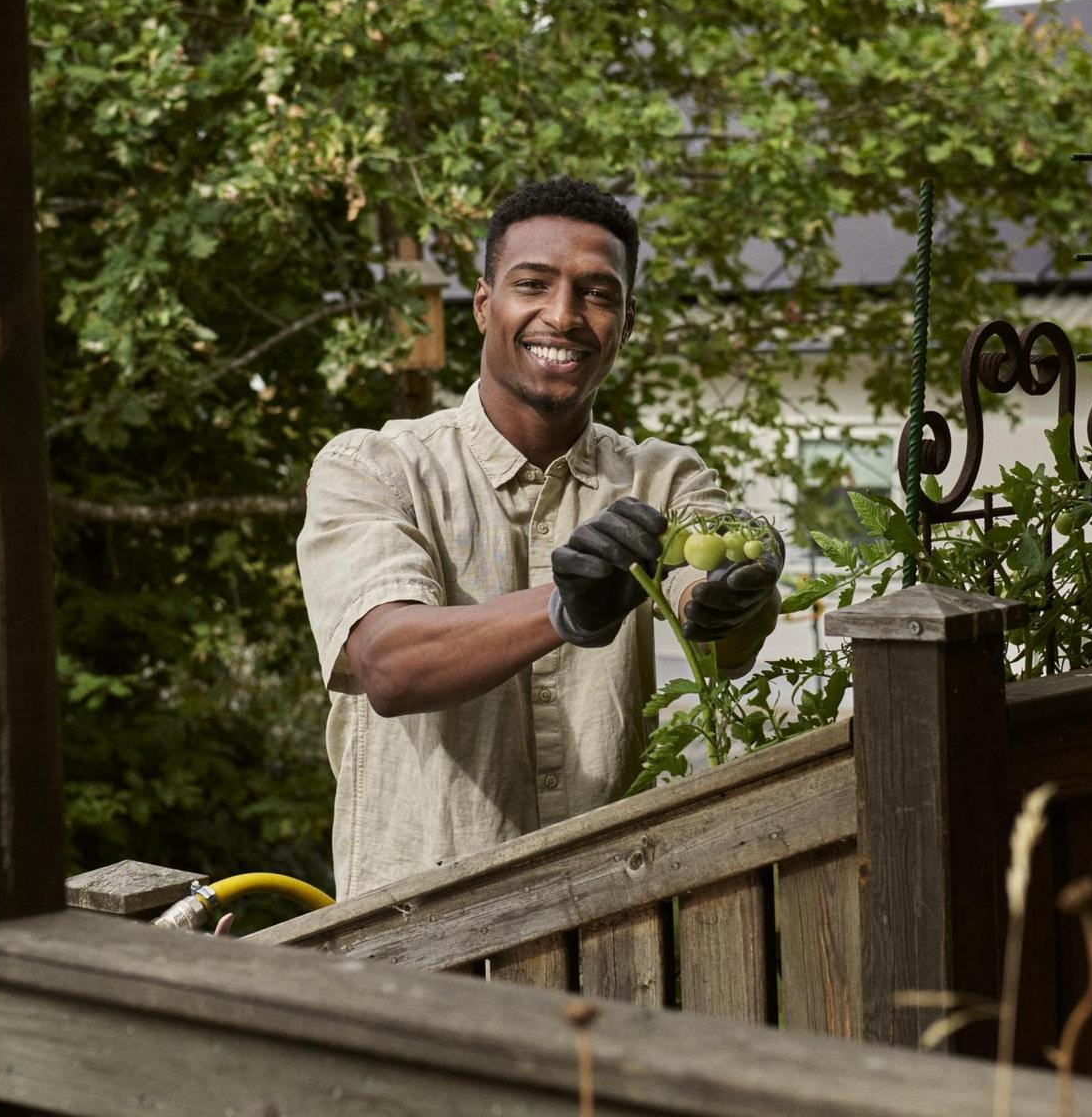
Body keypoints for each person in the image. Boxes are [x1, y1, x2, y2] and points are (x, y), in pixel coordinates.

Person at [296, 178, 784, 898]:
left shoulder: (665, 480)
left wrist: (739, 596)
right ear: (485, 303)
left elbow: (712, 626)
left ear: (627, 321)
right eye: (533, 285)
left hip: (613, 923)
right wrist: (562, 610)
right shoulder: (374, 468)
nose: (563, 315)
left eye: (596, 293)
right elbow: (388, 666)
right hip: (420, 936)